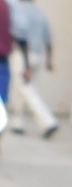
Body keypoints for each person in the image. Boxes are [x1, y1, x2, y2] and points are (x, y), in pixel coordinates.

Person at [6, 0, 57, 139]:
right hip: (38, 55)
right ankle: (18, 123)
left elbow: (21, 37)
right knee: (20, 89)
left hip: (23, 55)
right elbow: (49, 37)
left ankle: (48, 121)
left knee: (26, 90)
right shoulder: (40, 12)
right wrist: (49, 59)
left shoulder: (16, 8)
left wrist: (26, 64)